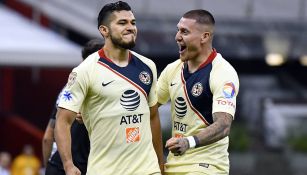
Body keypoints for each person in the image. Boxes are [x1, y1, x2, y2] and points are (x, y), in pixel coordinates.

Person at [54, 1, 164, 175]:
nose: (130, 27)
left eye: (133, 23)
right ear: (104, 30)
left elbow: (153, 117)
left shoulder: (148, 66)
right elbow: (62, 121)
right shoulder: (84, 71)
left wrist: (160, 165)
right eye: (122, 23)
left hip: (147, 169)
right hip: (105, 170)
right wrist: (68, 164)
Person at [157, 9, 239, 175]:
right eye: (178, 30)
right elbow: (148, 109)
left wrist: (189, 142)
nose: (177, 37)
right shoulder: (172, 70)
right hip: (173, 165)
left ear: (205, 37)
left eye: (184, 32)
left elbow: (223, 125)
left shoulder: (223, 72)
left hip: (207, 167)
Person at [42, 39, 104, 175]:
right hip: (86, 168)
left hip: (58, 166)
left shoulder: (67, 89)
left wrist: (48, 167)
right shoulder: (107, 90)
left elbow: (48, 137)